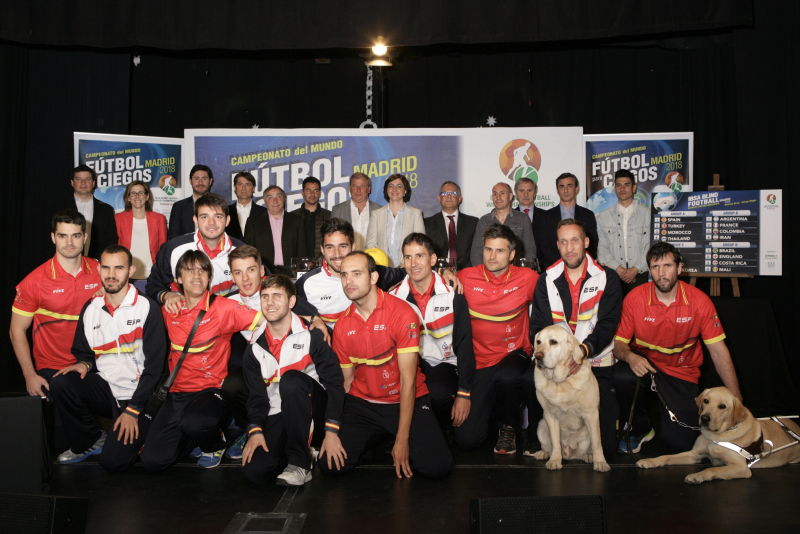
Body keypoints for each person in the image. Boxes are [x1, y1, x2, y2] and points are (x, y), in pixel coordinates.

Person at [317, 251, 453, 479]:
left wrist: (402, 440)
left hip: (405, 398)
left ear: (373, 277)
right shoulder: (341, 326)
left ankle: (391, 433)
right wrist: (332, 431)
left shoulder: (402, 312)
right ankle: (376, 435)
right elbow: (346, 383)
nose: (348, 281)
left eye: (356, 274)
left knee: (438, 468)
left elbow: (408, 382)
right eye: (343, 275)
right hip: (365, 404)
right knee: (329, 466)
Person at [140, 250, 266, 471]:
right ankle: (196, 438)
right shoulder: (168, 310)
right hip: (176, 393)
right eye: (189, 270)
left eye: (202, 270)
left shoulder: (224, 308)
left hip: (211, 391)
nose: (196, 275)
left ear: (209, 278)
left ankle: (214, 444)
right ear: (178, 278)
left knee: (196, 423)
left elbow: (270, 318)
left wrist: (312, 321)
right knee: (153, 461)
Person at [613, 242, 742, 454]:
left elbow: (719, 352)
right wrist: (629, 357)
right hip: (645, 363)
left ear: (679, 268)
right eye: (655, 267)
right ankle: (640, 429)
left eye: (667, 266)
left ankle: (668, 427)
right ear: (649, 270)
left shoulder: (699, 301)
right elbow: (619, 344)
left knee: (681, 445)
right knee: (623, 376)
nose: (661, 273)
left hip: (682, 371)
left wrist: (738, 402)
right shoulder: (635, 298)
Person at [48, 245, 166, 470]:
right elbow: (84, 351)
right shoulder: (91, 307)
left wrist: (134, 409)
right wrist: (84, 363)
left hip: (140, 395)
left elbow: (155, 368)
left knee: (113, 462)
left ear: (131, 270)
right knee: (62, 382)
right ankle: (90, 440)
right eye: (106, 267)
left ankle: (149, 432)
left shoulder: (146, 308)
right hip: (108, 390)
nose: (111, 274)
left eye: (119, 268)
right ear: (99, 269)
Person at [525, 219, 622, 457]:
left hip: (595, 361)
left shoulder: (607, 278)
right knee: (528, 382)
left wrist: (583, 352)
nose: (570, 248)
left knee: (607, 446)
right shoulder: (546, 278)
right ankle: (550, 444)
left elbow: (608, 325)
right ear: (558, 245)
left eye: (575, 240)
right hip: (556, 364)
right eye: (564, 242)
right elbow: (537, 325)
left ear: (586, 242)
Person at [221, 245, 323, 461]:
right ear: (231, 275)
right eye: (238, 272)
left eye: (250, 270)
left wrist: (316, 320)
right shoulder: (226, 303)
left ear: (261, 270)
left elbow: (313, 318)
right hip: (262, 365)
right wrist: (169, 296)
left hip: (294, 367)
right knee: (232, 384)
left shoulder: (275, 293)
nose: (245, 278)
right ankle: (249, 429)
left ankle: (307, 434)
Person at [241, 275, 345, 486]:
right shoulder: (253, 346)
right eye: (265, 297)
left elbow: (335, 385)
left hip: (315, 406)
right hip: (279, 410)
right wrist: (255, 430)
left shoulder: (313, 335)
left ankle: (300, 463)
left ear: (291, 302)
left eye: (277, 296)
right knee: (256, 471)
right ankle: (302, 450)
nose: (270, 303)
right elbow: (257, 397)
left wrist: (332, 431)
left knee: (291, 380)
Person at [10, 210, 101, 451]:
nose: (69, 242)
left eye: (75, 236)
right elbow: (16, 331)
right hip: (54, 369)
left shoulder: (102, 272)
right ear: (53, 238)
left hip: (95, 363)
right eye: (63, 236)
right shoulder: (34, 281)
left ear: (85, 237)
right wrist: (30, 375)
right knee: (58, 445)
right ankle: (93, 437)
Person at [457, 224, 538, 454]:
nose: (492, 256)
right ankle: (493, 414)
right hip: (479, 363)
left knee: (508, 376)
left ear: (512, 254)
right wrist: (445, 272)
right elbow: (433, 282)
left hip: (514, 355)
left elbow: (553, 295)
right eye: (488, 249)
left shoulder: (527, 278)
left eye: (499, 251)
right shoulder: (466, 277)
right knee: (467, 440)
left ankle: (508, 427)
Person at [295, 218, 453, 330]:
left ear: (353, 246)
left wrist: (440, 270)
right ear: (322, 250)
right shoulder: (307, 283)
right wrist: (313, 320)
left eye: (343, 246)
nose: (337, 254)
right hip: (330, 357)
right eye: (330, 247)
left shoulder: (373, 272)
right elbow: (287, 311)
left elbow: (411, 269)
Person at [391, 233, 475, 441]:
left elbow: (465, 343)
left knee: (437, 393)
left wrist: (464, 392)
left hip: (446, 365)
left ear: (433, 259)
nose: (413, 263)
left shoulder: (453, 292)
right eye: (408, 257)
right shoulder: (394, 298)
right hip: (412, 365)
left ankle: (439, 431)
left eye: (420, 255)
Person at [146, 192, 247, 309]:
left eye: (218, 216)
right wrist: (167, 296)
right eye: (204, 217)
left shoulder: (242, 252)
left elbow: (258, 287)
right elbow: (153, 286)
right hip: (184, 320)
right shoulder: (173, 249)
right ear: (195, 220)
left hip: (226, 319)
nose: (211, 223)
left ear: (227, 220)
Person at [596, 169, 651, 294]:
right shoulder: (603, 217)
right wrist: (620, 270)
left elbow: (650, 246)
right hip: (613, 275)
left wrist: (635, 269)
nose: (622, 188)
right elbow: (601, 249)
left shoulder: (647, 214)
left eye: (627, 184)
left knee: (638, 312)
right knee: (616, 313)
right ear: (614, 189)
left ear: (634, 188)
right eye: (619, 185)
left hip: (640, 274)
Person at [56, 165, 118, 261]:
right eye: (79, 179)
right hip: (65, 262)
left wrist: (97, 259)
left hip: (95, 264)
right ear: (72, 182)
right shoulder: (59, 207)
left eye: (87, 179)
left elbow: (111, 239)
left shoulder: (106, 210)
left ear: (93, 183)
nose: (83, 183)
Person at [538, 173, 599, 268]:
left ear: (576, 189)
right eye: (562, 187)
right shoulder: (546, 216)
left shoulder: (588, 215)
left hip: (581, 267)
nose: (565, 190)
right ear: (557, 191)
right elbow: (544, 246)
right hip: (554, 268)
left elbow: (592, 243)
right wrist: (564, 262)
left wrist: (577, 262)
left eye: (569, 186)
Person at [470, 182, 537, 267]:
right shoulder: (484, 221)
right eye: (495, 194)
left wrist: (525, 271)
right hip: (490, 273)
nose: (498, 197)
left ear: (510, 196)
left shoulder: (523, 219)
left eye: (502, 193)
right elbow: (477, 252)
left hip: (516, 273)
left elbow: (530, 249)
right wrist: (482, 274)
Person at [365, 174, 425, 267]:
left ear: (405, 191)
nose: (394, 189)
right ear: (386, 190)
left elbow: (420, 245)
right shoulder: (376, 214)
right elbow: (370, 244)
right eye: (390, 186)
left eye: (399, 186)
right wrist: (381, 264)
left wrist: (404, 264)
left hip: (408, 267)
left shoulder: (415, 214)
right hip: (382, 268)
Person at [243, 185, 305, 274]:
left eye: (278, 197)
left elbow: (301, 250)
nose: (275, 201)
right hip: (264, 272)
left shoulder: (296, 221)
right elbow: (248, 251)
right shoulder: (253, 222)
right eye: (270, 197)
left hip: (290, 273)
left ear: (284, 199)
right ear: (265, 201)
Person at [114, 180, 168, 281]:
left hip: (152, 275)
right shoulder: (118, 219)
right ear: (128, 198)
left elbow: (163, 248)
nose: (137, 196)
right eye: (133, 193)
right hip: (126, 275)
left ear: (147, 197)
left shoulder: (159, 219)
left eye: (141, 193)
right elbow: (115, 248)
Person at [423, 181, 479, 271]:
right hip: (438, 274)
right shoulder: (427, 223)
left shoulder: (473, 223)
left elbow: (477, 252)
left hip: (466, 273)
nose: (449, 196)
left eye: (453, 193)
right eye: (444, 193)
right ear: (439, 198)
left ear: (460, 198)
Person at [331, 172, 380, 251]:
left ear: (369, 189)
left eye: (362, 186)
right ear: (350, 189)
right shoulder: (337, 210)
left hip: (371, 260)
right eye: (355, 186)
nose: (358, 190)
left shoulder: (379, 210)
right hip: (346, 260)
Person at [169, 164, 213, 239]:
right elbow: (174, 238)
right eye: (196, 178)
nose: (200, 182)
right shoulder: (179, 207)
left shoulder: (219, 206)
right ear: (190, 181)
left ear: (210, 181)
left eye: (204, 178)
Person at [297, 176, 331, 261]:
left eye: (316, 191)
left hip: (321, 265)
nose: (312, 194)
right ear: (302, 193)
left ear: (319, 193)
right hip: (298, 266)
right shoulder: (293, 217)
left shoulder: (329, 216)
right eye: (308, 190)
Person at [513, 177, 545, 266]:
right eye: (522, 191)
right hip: (517, 268)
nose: (525, 194)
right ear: (516, 193)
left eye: (529, 190)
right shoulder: (510, 217)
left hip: (543, 267)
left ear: (534, 193)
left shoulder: (546, 216)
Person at [226, 171, 267, 241]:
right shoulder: (226, 211)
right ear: (235, 187)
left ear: (253, 188)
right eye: (240, 184)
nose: (243, 188)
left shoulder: (264, 212)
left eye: (248, 184)